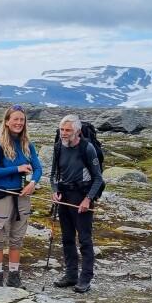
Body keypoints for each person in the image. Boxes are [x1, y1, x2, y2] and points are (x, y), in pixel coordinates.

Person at [0, 105, 42, 288]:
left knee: (17, 238)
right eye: (15, 119)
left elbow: (38, 168)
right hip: (2, 195)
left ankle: (14, 277)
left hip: (23, 196)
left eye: (21, 120)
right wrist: (17, 169)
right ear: (7, 122)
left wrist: (33, 183)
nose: (18, 123)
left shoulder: (27, 145)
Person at [50, 114, 102, 293]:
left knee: (85, 239)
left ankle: (85, 278)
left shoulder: (87, 149)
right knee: (67, 238)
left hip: (81, 196)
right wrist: (54, 190)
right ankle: (71, 274)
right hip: (64, 196)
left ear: (77, 131)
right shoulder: (58, 147)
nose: (64, 133)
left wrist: (88, 199)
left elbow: (98, 178)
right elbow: (53, 175)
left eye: (68, 130)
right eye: (62, 130)